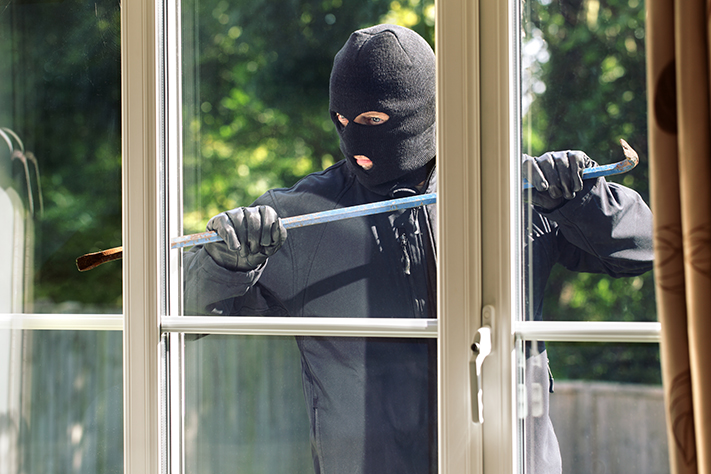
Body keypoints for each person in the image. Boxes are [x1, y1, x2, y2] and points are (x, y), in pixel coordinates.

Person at [184, 24, 653, 474]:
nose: (355, 137)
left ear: (422, 107)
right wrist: (223, 263)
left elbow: (646, 249)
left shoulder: (514, 191)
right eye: (342, 119)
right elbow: (178, 310)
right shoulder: (300, 217)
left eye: (373, 119)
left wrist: (584, 200)